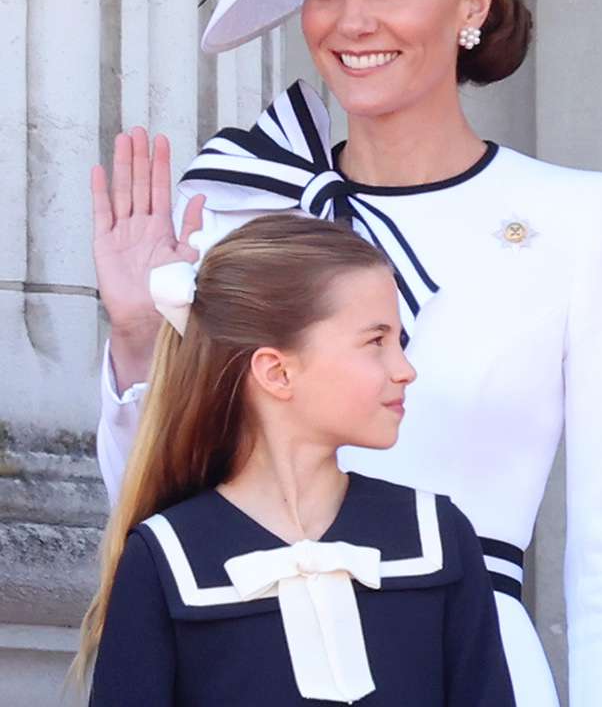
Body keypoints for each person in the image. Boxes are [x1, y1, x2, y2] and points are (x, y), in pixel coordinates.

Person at [90, 0, 602, 707]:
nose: (352, 20)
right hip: (245, 654)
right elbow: (151, 504)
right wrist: (138, 338)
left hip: (473, 665)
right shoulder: (236, 208)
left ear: (472, 2)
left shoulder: (584, 218)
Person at [78, 214, 513, 705]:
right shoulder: (167, 558)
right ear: (277, 372)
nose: (405, 370)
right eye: (376, 341)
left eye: (399, 343)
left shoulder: (437, 536)